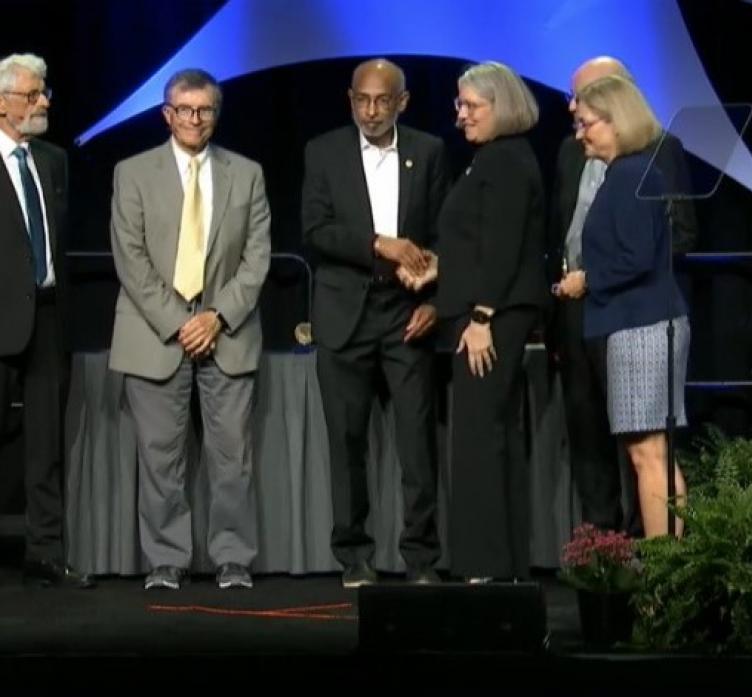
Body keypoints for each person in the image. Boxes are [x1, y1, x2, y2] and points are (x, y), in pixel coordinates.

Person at [109, 68, 271, 589]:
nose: (193, 119)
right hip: (157, 331)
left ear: (215, 115)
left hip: (226, 329)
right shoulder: (132, 173)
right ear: (167, 114)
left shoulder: (247, 173)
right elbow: (130, 259)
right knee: (160, 457)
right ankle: (166, 561)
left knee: (233, 459)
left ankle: (233, 559)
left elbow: (257, 257)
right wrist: (183, 324)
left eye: (203, 110)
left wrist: (216, 317)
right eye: (184, 109)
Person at [301, 58, 448, 587]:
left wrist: (438, 300)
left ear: (402, 103)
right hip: (344, 316)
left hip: (407, 315)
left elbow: (444, 233)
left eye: (382, 101)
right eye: (362, 100)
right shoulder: (323, 152)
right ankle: (354, 556)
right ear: (350, 99)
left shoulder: (429, 152)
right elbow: (315, 231)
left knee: (416, 444)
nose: (371, 110)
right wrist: (377, 244)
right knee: (347, 445)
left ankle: (422, 558)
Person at [550, 56, 696, 535]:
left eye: (586, 123)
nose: (579, 134)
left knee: (648, 454)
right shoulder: (627, 174)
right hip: (636, 324)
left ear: (615, 121)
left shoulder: (633, 176)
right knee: (651, 452)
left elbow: (636, 257)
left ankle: (664, 571)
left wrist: (585, 280)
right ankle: (671, 565)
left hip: (639, 328)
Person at [435, 61, 548, 582]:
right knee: (491, 434)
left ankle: (483, 564)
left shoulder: (503, 161)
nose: (460, 116)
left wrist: (481, 315)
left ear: (499, 106)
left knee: (481, 436)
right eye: (459, 105)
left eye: (470, 106)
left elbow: (503, 248)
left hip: (492, 317)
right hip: (491, 309)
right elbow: (480, 243)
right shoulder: (494, 159)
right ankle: (500, 563)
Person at [0, 53, 93, 589]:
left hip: (50, 314)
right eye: (33, 95)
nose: (43, 102)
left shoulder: (53, 160)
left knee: (46, 443)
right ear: (4, 102)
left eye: (44, 93)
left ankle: (46, 554)